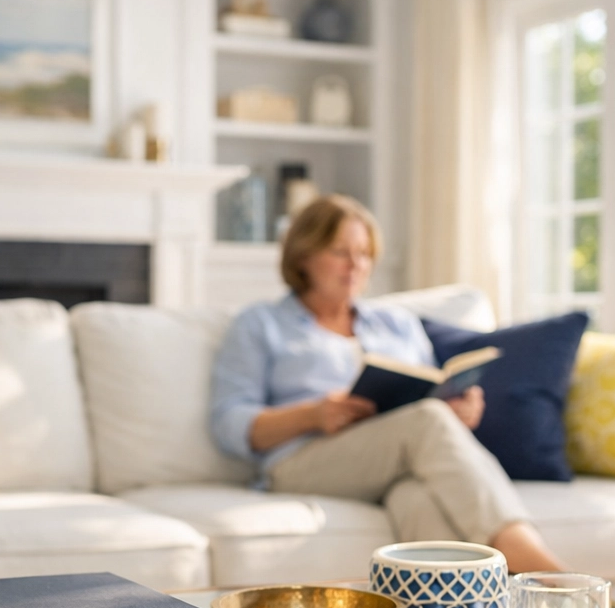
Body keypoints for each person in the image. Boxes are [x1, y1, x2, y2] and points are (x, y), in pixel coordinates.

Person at [208, 194, 563, 573]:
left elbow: (430, 392)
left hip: (395, 456)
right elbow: (228, 423)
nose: (355, 265)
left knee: (417, 499)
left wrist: (456, 410)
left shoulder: (397, 323)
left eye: (364, 254)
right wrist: (312, 415)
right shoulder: (260, 323)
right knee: (426, 422)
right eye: (340, 252)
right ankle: (543, 572)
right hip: (302, 460)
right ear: (303, 256)